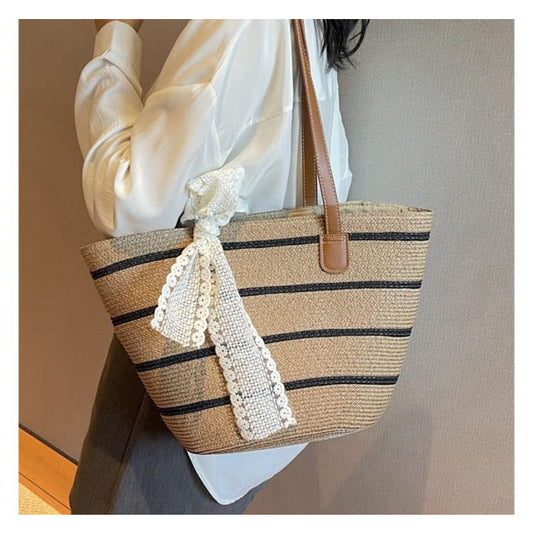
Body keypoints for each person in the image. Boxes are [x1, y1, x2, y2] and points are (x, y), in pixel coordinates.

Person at [69, 18, 369, 514]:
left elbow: (129, 206)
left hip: (186, 372)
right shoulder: (309, 28)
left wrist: (114, 35)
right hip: (271, 399)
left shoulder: (242, 22)